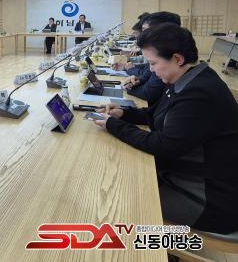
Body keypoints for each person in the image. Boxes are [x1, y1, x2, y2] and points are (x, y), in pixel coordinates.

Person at [93, 23, 238, 234]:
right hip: (187, 174)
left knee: (118, 200)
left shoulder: (198, 93)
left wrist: (113, 125)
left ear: (177, 59)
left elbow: (163, 145)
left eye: (153, 63)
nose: (150, 69)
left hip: (209, 197)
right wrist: (123, 114)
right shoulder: (187, 78)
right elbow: (156, 114)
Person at [123, 11, 181, 104]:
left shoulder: (166, 57)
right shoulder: (160, 54)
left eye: (145, 30)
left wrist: (126, 87)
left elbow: (149, 93)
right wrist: (139, 81)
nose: (141, 34)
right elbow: (147, 71)